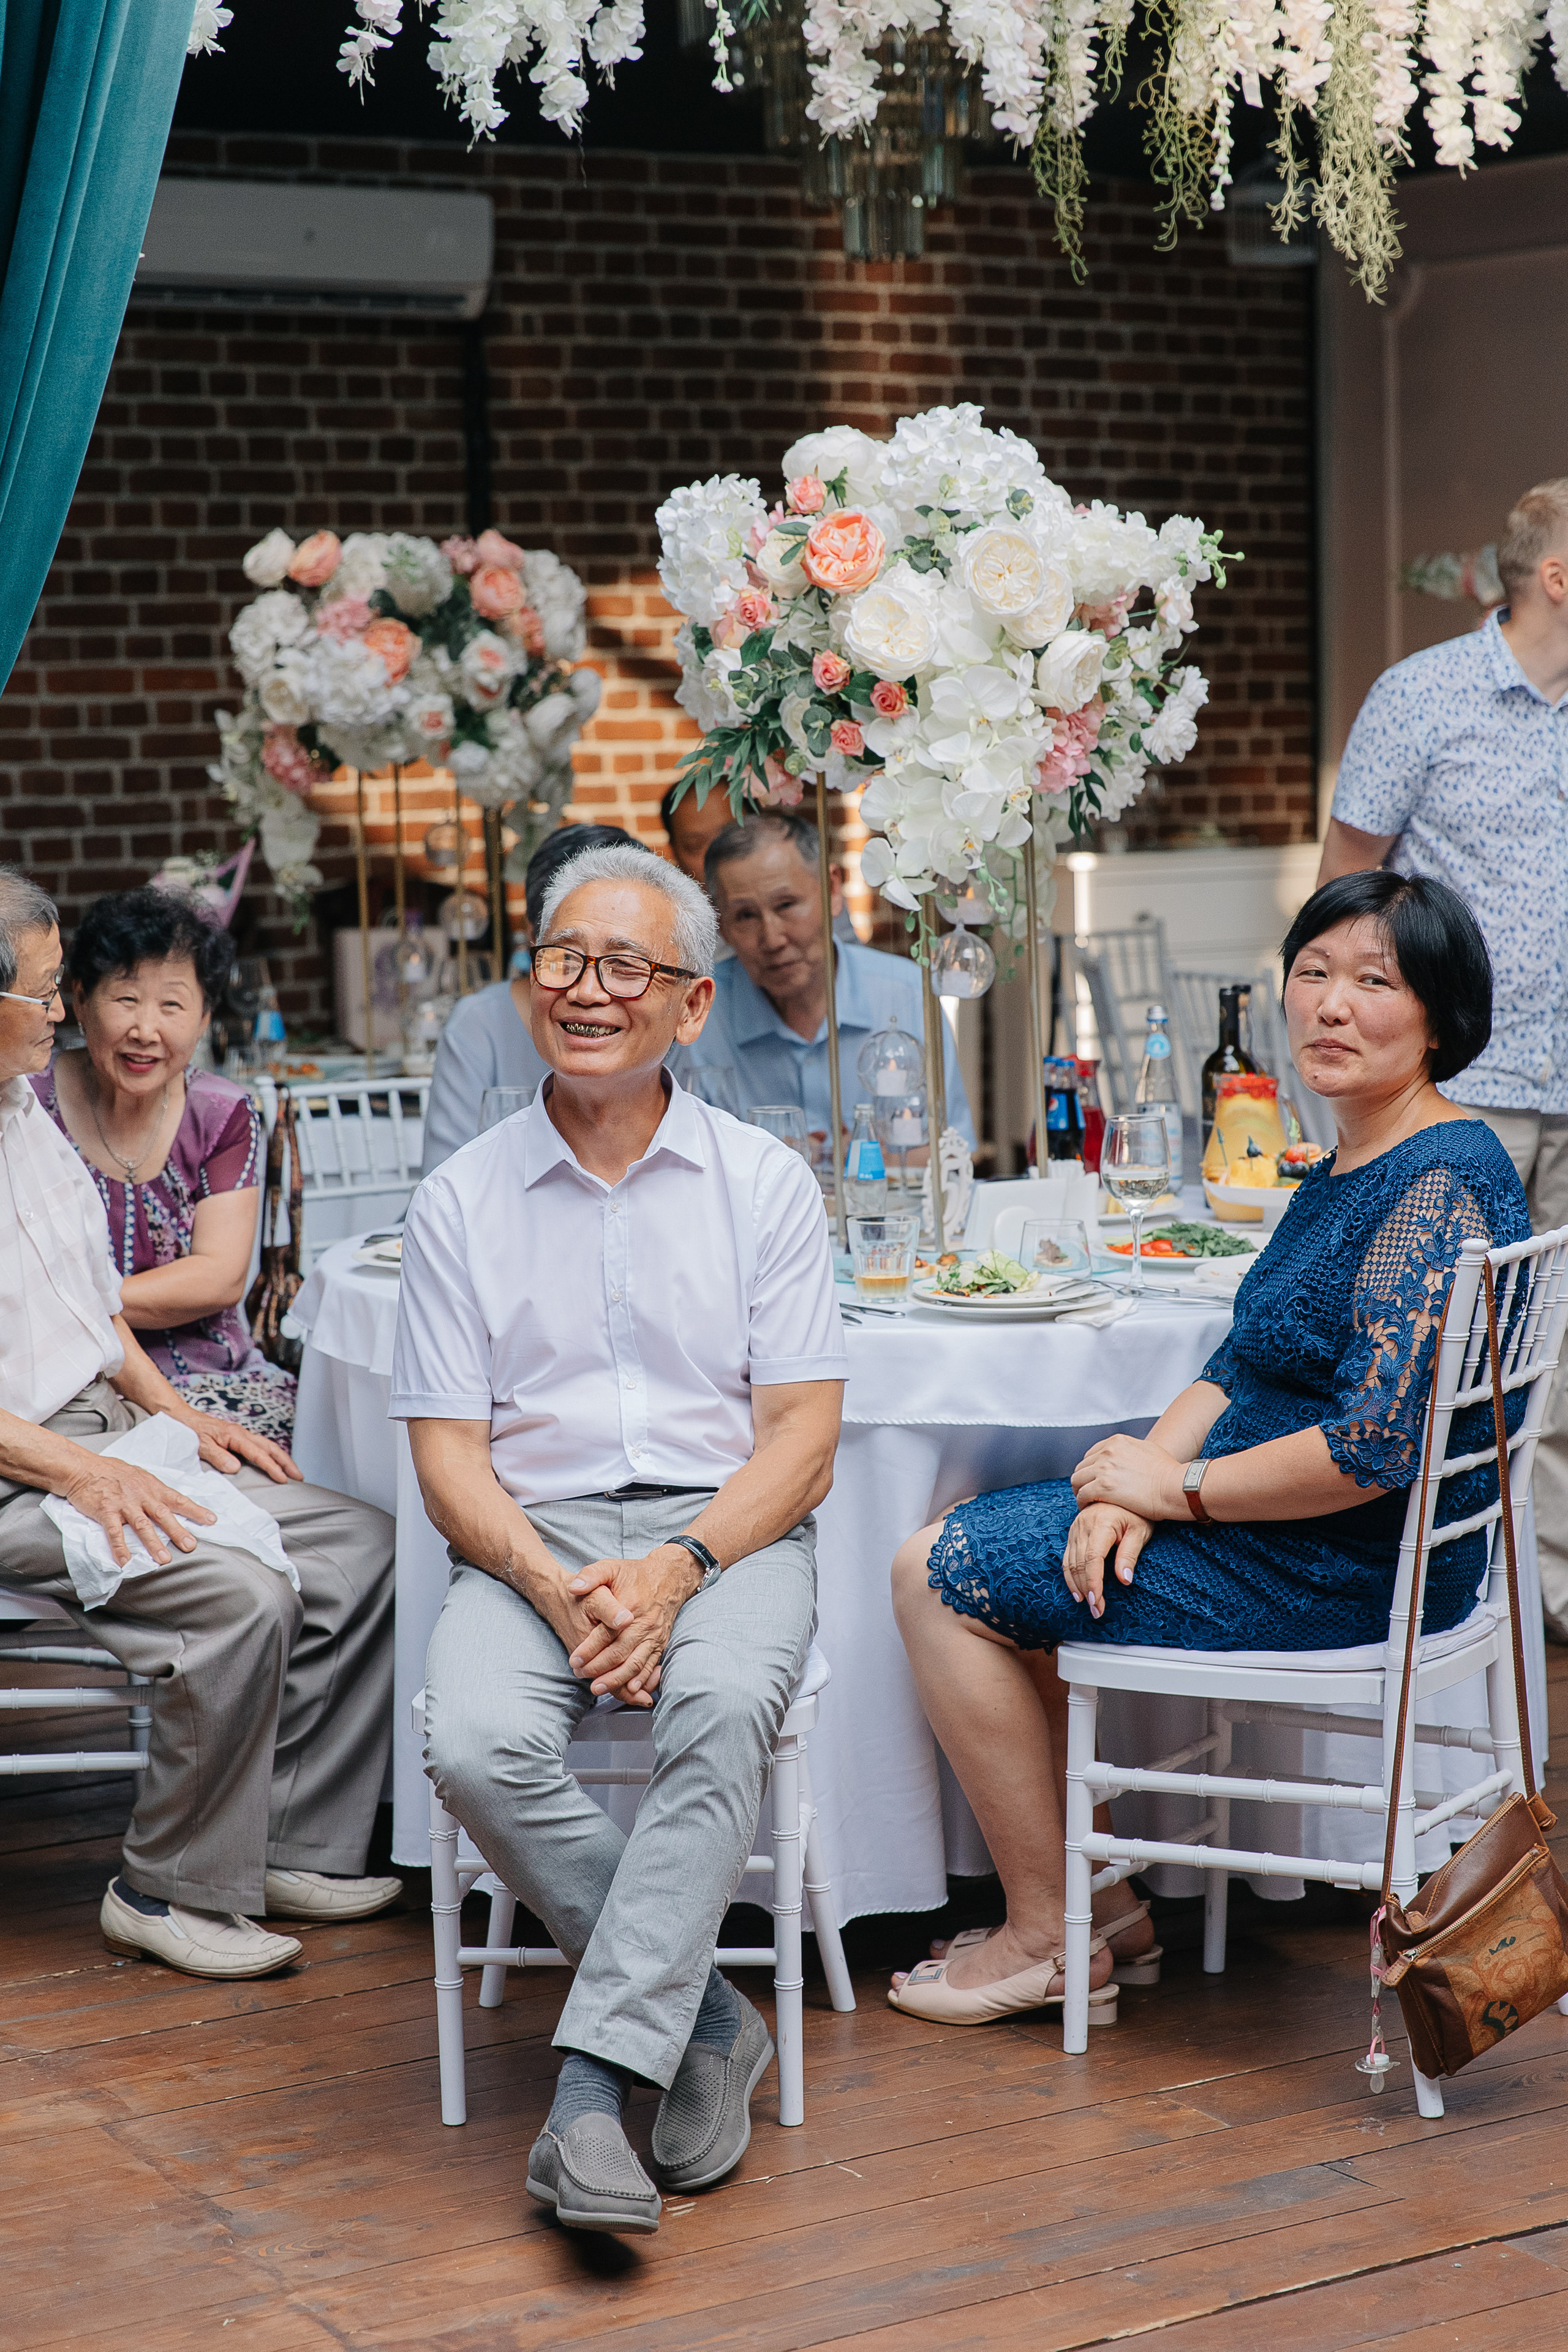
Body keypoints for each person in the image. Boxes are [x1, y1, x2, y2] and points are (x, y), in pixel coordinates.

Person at [884, 872, 1527, 2026]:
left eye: (1374, 983)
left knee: (935, 1571)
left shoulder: (1439, 1184)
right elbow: (1245, 1357)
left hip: (1348, 1564)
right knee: (1033, 1554)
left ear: (1443, 1017)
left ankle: (1048, 1937)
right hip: (1293, 1532)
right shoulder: (1352, 1159)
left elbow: (1373, 1447)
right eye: (1315, 973)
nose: (1331, 1004)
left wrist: (1173, 1490)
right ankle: (1107, 1905)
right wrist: (1133, 1481)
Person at [391, 843, 846, 2235]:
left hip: (727, 1531)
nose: (587, 990)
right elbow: (444, 1457)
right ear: (532, 981)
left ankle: (588, 2087)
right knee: (470, 1740)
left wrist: (676, 1569)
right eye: (563, 959)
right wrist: (554, 1579)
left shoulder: (763, 1183)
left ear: (690, 1006)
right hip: (530, 1537)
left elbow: (800, 1438)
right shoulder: (460, 1198)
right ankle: (708, 2016)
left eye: (625, 966)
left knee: (717, 1706)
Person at [0, 866, 401, 1981]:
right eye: (50, 994)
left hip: (96, 1423)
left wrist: (182, 1422)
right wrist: (85, 1473)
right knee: (238, 1594)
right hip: (20, 1462)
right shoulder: (33, 1101)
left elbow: (91, 1312)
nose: (63, 1014)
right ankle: (164, 1884)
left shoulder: (20, 1125)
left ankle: (287, 1841)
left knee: (360, 1545)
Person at [1321, 478, 1568, 1638]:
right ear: (1558, 579)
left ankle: (1541, 1608)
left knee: (1559, 1379)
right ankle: (1434, 1600)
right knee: (1450, 1373)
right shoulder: (1423, 698)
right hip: (1466, 1095)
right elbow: (1349, 892)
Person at [33, 887, 293, 1444]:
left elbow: (219, 1277)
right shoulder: (26, 1105)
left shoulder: (223, 1114)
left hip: (208, 1375)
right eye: (125, 999)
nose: (146, 1030)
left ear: (203, 1019)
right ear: (80, 1000)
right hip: (66, 1385)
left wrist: (72, 1302)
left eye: (172, 1005)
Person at [683, 809, 973, 1144]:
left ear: (834, 890)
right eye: (745, 915)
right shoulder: (698, 1016)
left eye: (786, 905)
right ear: (722, 925)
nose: (772, 938)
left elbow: (950, 1153)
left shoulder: (906, 994)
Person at [420, 823, 646, 1175]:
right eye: (570, 947)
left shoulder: (654, 1011)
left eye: (621, 953)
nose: (590, 990)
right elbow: (446, 1175)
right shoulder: (480, 1023)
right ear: (532, 934)